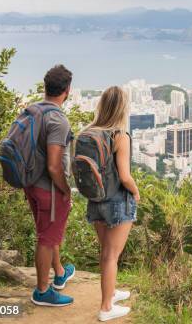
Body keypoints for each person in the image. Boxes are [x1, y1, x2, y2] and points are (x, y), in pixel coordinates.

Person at [83, 86, 140, 322]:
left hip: (95, 200)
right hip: (117, 202)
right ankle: (106, 308)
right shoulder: (120, 136)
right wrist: (136, 193)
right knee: (111, 255)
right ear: (122, 109)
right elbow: (125, 176)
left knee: (106, 252)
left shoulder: (87, 132)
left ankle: (111, 292)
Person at [27, 64, 76, 306]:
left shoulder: (32, 110)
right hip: (49, 189)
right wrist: (65, 189)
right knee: (47, 239)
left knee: (49, 231)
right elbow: (55, 167)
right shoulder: (58, 119)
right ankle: (42, 291)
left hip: (31, 184)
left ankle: (59, 273)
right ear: (67, 90)